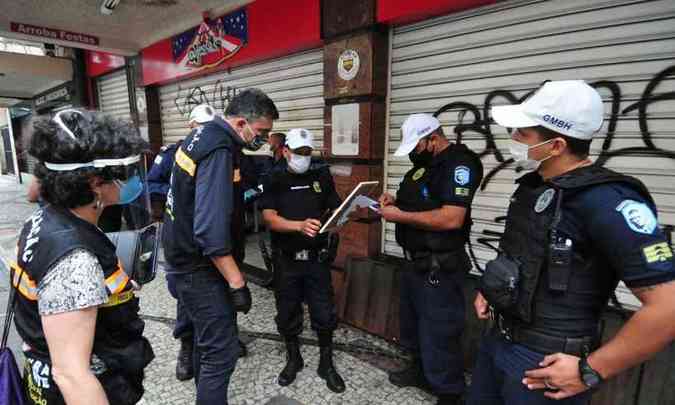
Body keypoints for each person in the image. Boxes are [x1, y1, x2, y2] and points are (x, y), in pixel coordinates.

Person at [468, 80, 675, 405]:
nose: (513, 139)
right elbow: (526, 255)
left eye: (522, 133)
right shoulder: (535, 186)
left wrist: (590, 370)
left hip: (545, 365)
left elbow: (668, 308)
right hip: (499, 342)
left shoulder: (609, 201)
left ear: (556, 145)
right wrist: (492, 291)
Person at [11, 109, 154, 405]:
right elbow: (72, 374)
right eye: (125, 173)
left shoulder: (45, 220)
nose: (132, 181)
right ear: (93, 182)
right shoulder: (75, 257)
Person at [162, 89, 278, 404]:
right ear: (242, 123)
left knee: (205, 343)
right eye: (262, 132)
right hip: (200, 269)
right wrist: (236, 281)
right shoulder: (219, 149)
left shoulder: (201, 137)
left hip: (183, 260)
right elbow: (210, 232)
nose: (264, 139)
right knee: (222, 352)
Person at [379, 114, 483, 405]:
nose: (413, 152)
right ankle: (420, 370)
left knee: (440, 329)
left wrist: (399, 216)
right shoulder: (421, 168)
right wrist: (393, 201)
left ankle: (449, 392)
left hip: (440, 265)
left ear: (432, 139)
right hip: (414, 263)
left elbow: (452, 218)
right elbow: (417, 202)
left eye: (416, 145)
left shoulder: (459, 165)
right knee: (412, 324)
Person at [260, 128, 346, 393]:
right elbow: (269, 217)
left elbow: (335, 206)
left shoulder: (321, 175)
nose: (304, 158)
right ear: (286, 151)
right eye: (299, 152)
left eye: (308, 153)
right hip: (286, 260)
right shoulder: (274, 178)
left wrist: (340, 217)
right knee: (287, 311)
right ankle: (293, 358)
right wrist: (298, 226)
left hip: (316, 260)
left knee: (323, 311)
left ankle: (326, 363)